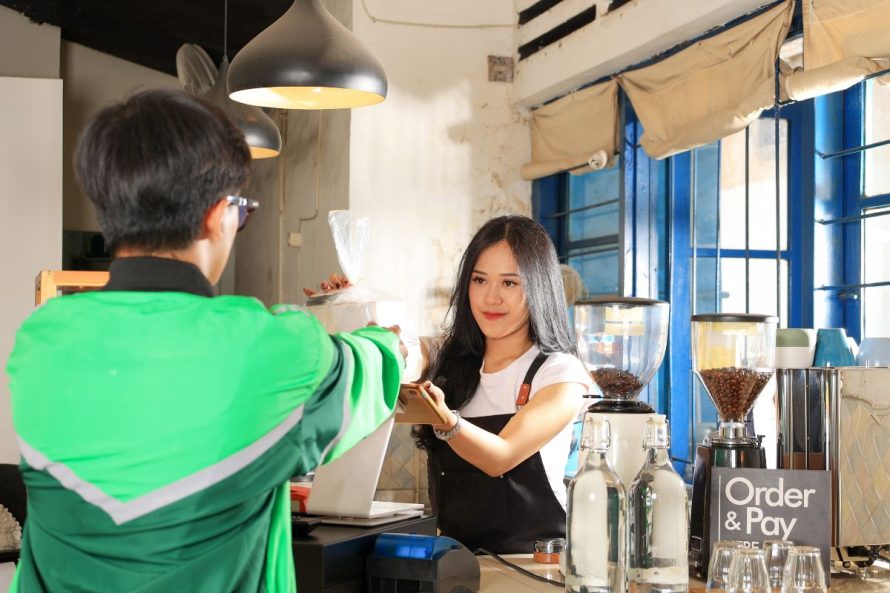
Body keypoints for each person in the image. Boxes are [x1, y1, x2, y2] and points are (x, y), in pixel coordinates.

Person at [5, 89, 403, 593]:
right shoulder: (265, 348)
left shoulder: (41, 342)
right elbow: (370, 371)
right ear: (219, 214)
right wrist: (388, 338)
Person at [413, 215, 594, 554]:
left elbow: (501, 457)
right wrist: (349, 308)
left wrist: (446, 421)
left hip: (537, 571)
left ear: (538, 287)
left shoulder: (560, 373)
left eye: (509, 283)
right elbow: (402, 355)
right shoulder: (446, 357)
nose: (490, 298)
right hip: (458, 566)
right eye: (479, 280)